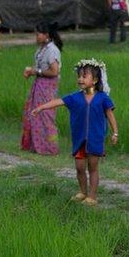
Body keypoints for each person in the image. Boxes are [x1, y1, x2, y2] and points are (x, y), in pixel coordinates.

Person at [31, 59, 118, 206]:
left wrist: (115, 132)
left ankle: (92, 196)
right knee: (79, 167)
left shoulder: (103, 98)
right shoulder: (74, 97)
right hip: (79, 139)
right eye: (79, 76)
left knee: (93, 167)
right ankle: (83, 191)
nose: (80, 79)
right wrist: (41, 107)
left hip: (95, 139)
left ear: (95, 80)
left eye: (85, 76)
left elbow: (110, 115)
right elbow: (58, 101)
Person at [21, 22, 63, 155]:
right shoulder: (42, 49)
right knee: (35, 114)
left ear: (46, 35)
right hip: (40, 84)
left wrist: (35, 71)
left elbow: (54, 71)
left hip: (47, 87)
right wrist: (33, 71)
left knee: (46, 115)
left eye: (38, 34)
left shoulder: (52, 50)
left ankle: (50, 147)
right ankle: (37, 146)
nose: (36, 36)